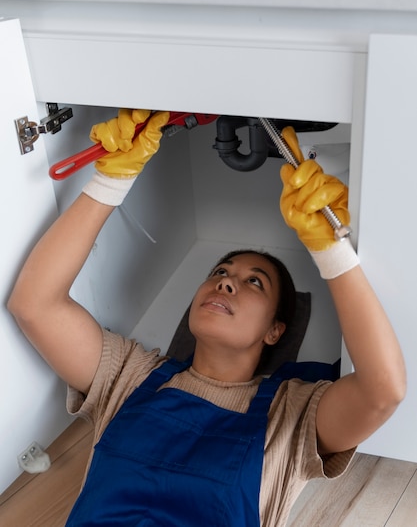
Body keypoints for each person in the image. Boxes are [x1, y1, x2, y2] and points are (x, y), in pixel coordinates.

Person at [7, 109, 406, 527]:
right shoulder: (129, 376)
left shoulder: (291, 418)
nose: (227, 283)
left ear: (275, 330)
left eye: (254, 283)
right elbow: (35, 304)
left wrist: (331, 250)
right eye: (220, 272)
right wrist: (111, 180)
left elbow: (384, 391)